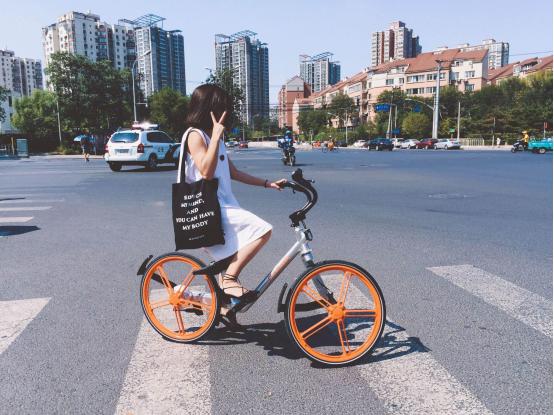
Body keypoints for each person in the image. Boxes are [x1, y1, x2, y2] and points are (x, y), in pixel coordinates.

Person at [182, 84, 285, 298]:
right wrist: (215, 138)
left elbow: (234, 173)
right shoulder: (195, 135)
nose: (226, 113)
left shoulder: (216, 139)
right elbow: (206, 172)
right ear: (208, 109)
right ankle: (229, 280)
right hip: (208, 207)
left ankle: (221, 305)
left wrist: (268, 183)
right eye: (221, 108)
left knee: (232, 254)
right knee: (262, 230)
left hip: (224, 204)